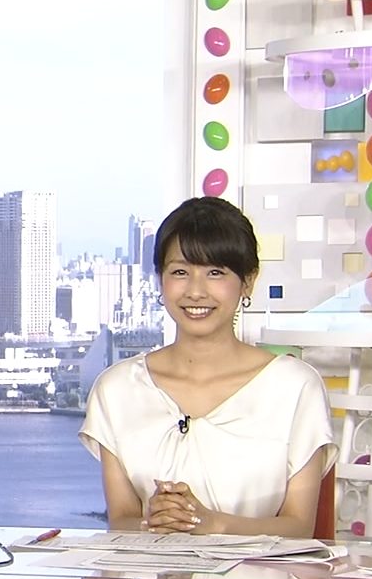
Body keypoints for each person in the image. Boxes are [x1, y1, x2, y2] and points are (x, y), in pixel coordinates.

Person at [79, 196, 336, 538]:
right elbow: (122, 521)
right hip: (152, 572)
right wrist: (154, 521)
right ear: (160, 280)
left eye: (215, 273)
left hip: (259, 573)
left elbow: (299, 528)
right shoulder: (117, 389)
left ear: (248, 281)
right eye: (180, 272)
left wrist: (214, 524)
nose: (196, 292)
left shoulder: (295, 387)